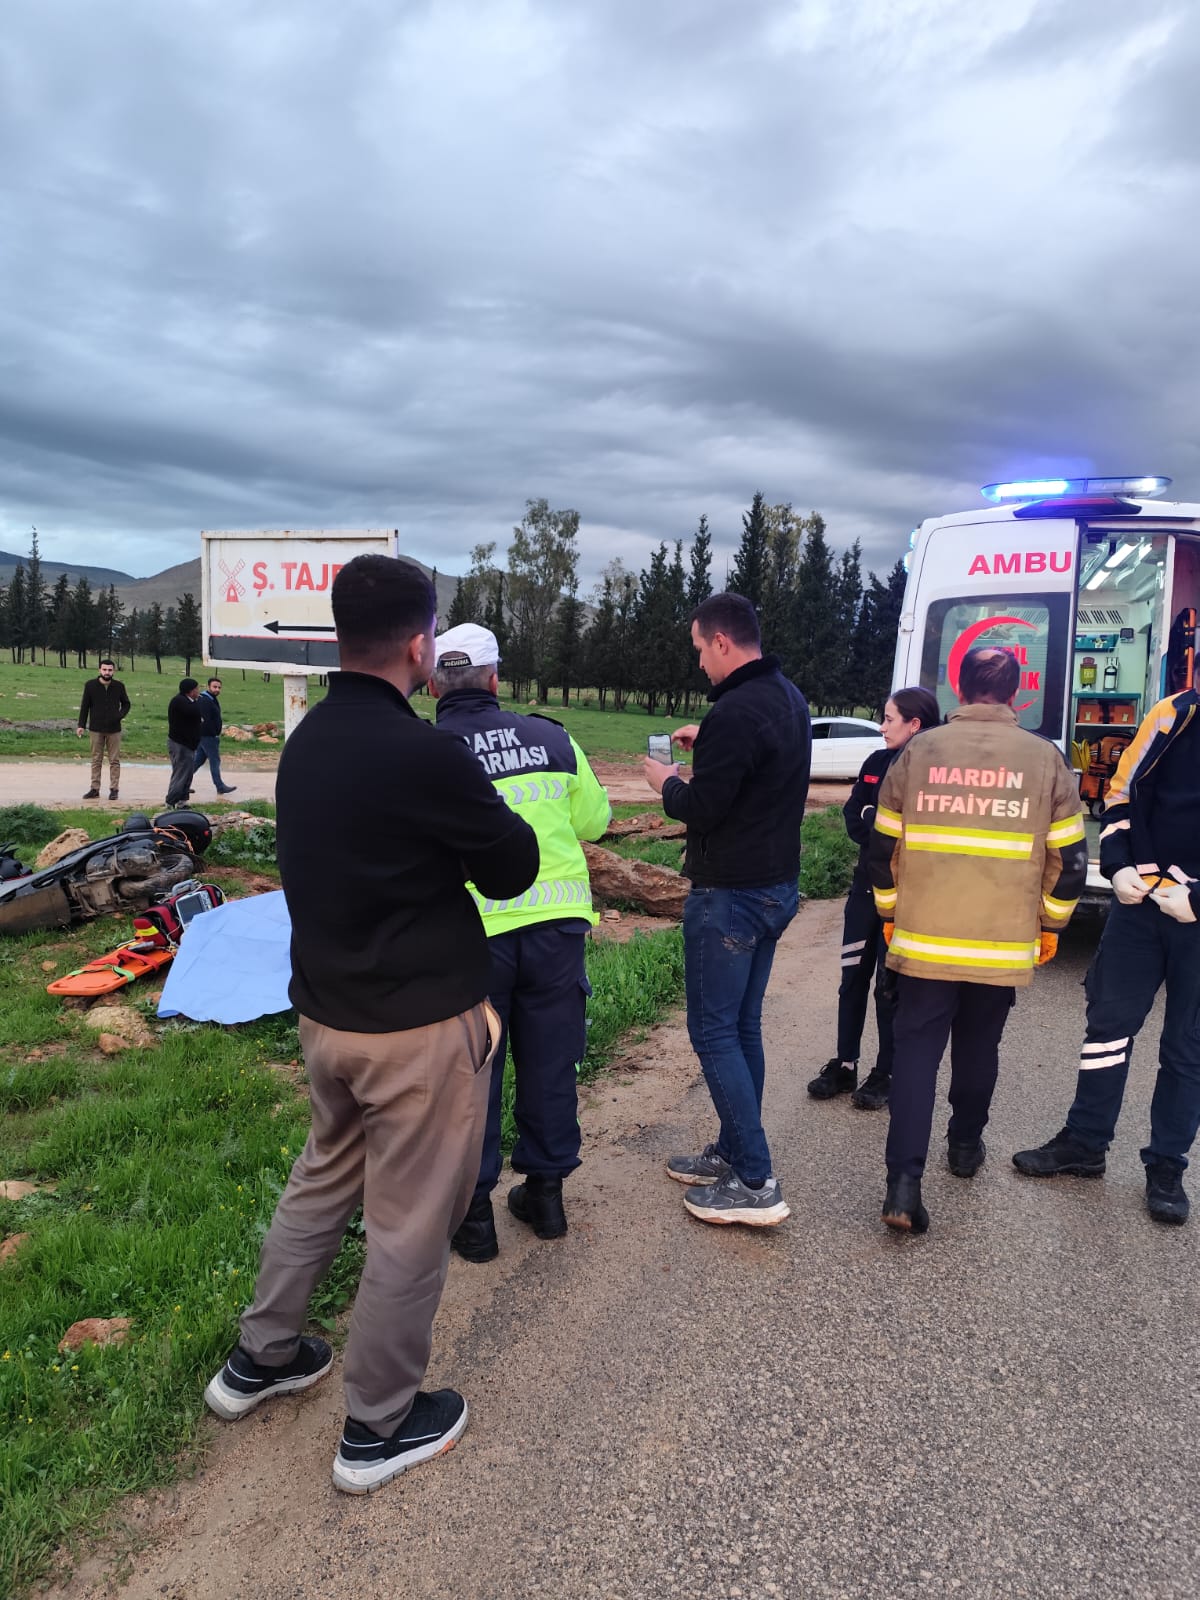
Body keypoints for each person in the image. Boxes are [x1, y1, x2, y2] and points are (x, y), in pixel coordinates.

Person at [203, 556, 539, 1495]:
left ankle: (260, 1359)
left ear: (338, 636)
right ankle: (379, 1425)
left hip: (326, 1018)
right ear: (419, 643)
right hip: (419, 1031)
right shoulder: (426, 752)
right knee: (408, 1222)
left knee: (322, 1180)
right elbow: (511, 868)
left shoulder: (306, 742)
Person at [868, 647, 1087, 1233]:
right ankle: (964, 1149)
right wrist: (1050, 927)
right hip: (1001, 942)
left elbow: (880, 849)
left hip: (923, 939)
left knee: (915, 1053)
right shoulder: (1046, 761)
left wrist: (891, 916)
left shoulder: (919, 750)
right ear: (1019, 694)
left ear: (959, 688)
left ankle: (903, 1184)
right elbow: (1069, 865)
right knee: (979, 1045)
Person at [428, 622, 611, 1259]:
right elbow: (597, 820)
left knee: (472, 1073)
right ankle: (547, 1195)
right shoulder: (551, 736)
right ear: (496, 679)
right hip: (557, 931)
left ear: (434, 683)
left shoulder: (427, 749)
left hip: (471, 940)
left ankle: (474, 1219)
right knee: (550, 1059)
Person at [643, 592, 811, 1227]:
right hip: (774, 887)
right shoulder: (784, 697)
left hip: (731, 897)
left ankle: (757, 1181)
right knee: (741, 1027)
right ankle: (736, 1151)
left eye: (699, 651)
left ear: (720, 642)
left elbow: (702, 807)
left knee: (713, 1031)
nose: (700, 666)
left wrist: (667, 783)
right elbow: (753, 771)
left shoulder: (738, 711)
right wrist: (705, 738)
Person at [1013, 683, 1200, 1224]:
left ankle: (1167, 1165)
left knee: (1188, 1046)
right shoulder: (1173, 715)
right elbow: (1120, 793)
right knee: (1108, 1027)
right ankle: (1086, 1142)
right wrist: (1116, 862)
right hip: (1142, 904)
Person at [808, 687, 941, 1109]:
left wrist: (879, 821)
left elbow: (916, 834)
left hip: (907, 899)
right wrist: (881, 823)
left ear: (915, 724)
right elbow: (854, 818)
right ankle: (845, 1064)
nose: (882, 727)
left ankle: (887, 1071)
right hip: (864, 892)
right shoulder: (874, 763)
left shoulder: (935, 771)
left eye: (889, 719)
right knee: (852, 980)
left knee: (890, 987)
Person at [77, 658, 131, 800]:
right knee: (96, 759)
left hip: (114, 729)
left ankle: (114, 789)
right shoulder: (90, 686)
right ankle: (94, 789)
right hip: (96, 728)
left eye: (110, 670)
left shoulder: (119, 686)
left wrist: (119, 716)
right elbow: (85, 706)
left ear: (114, 671)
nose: (107, 672)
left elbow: (126, 704)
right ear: (99, 670)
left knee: (114, 760)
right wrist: (81, 725)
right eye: (104, 669)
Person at [192, 676, 237, 796]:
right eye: (215, 687)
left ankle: (182, 783)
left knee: (198, 761)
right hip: (208, 736)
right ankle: (220, 786)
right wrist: (213, 734)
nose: (217, 689)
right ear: (208, 687)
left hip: (204, 736)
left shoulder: (209, 698)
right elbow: (205, 720)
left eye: (219, 687)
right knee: (215, 761)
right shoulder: (205, 700)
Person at [165, 679, 203, 807]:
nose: (198, 691)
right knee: (181, 773)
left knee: (187, 774)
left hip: (189, 744)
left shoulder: (189, 701)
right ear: (191, 691)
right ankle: (171, 801)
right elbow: (196, 713)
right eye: (197, 689)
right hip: (180, 744)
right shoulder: (180, 701)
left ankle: (182, 801)